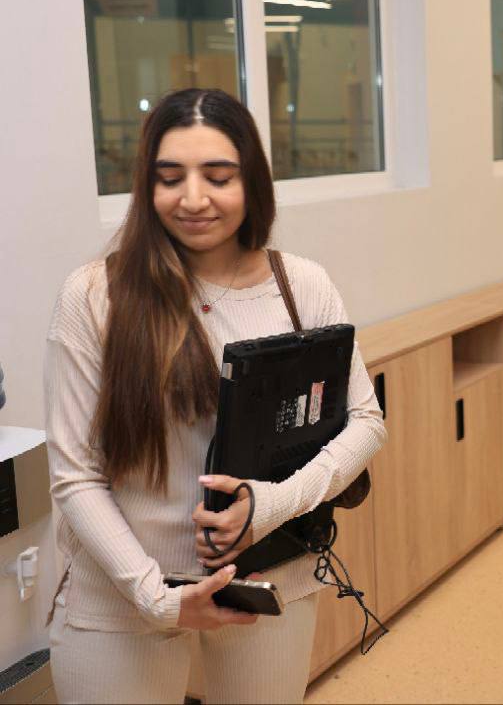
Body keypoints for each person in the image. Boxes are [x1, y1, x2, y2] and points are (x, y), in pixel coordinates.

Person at [44, 88, 386, 703]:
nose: (193, 198)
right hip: (121, 593)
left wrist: (269, 505)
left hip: (263, 577)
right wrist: (158, 598)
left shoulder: (300, 285)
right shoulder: (96, 295)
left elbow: (365, 422)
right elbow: (75, 475)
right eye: (170, 177)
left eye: (219, 177)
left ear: (252, 182)